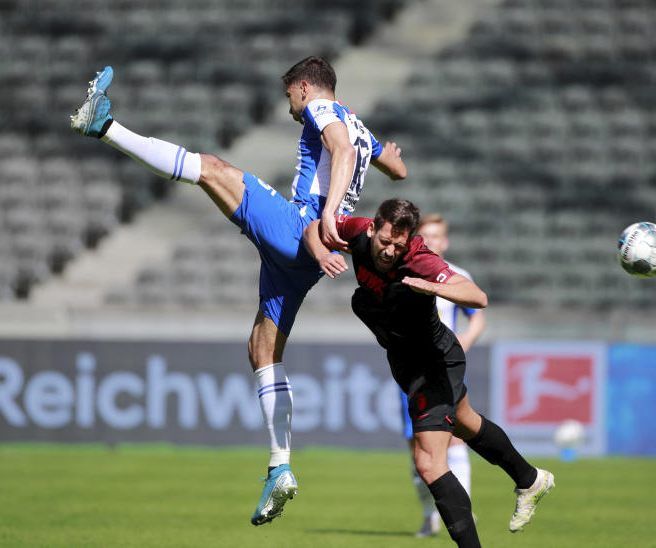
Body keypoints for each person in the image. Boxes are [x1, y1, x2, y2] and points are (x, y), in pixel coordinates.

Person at [70, 57, 407, 525]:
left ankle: (103, 125)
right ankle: (279, 466)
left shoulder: (323, 111)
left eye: (290, 94)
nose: (290, 104)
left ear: (305, 87)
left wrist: (328, 214)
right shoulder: (359, 125)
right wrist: (390, 158)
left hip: (301, 227)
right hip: (303, 260)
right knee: (262, 349)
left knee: (211, 169)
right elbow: (393, 168)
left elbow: (343, 151)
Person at [303, 199, 553, 547]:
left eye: (399, 246)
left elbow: (477, 297)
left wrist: (432, 287)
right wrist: (320, 254)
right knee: (467, 422)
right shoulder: (356, 230)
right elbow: (313, 228)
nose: (390, 251)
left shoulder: (419, 258)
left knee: (429, 463)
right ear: (373, 228)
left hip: (433, 361)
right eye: (385, 242)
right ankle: (529, 479)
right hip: (406, 360)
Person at [405, 214, 486, 537]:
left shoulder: (456, 275)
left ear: (445, 241)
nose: (432, 242)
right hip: (411, 371)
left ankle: (462, 511)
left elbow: (477, 319)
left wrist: (461, 344)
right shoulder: (408, 274)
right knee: (418, 453)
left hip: (443, 371)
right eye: (425, 236)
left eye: (437, 236)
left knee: (454, 441)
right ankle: (430, 515)